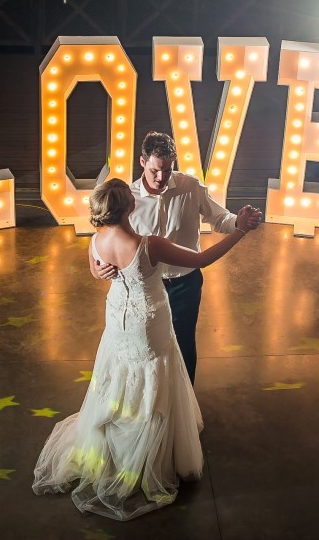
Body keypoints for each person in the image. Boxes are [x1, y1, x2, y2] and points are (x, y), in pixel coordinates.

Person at [32, 178, 248, 520]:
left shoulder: (98, 238)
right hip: (148, 323)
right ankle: (146, 451)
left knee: (119, 374)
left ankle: (115, 437)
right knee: (153, 375)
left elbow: (96, 267)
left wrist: (95, 268)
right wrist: (241, 232)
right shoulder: (150, 245)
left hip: (117, 318)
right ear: (130, 206)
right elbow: (203, 258)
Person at [94, 131, 262, 383]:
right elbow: (109, 238)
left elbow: (219, 218)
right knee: (148, 349)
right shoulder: (127, 199)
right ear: (142, 162)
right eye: (155, 170)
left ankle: (185, 406)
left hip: (184, 282)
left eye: (167, 170)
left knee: (183, 342)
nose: (161, 177)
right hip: (146, 287)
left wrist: (238, 221)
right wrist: (98, 269)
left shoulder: (191, 186)